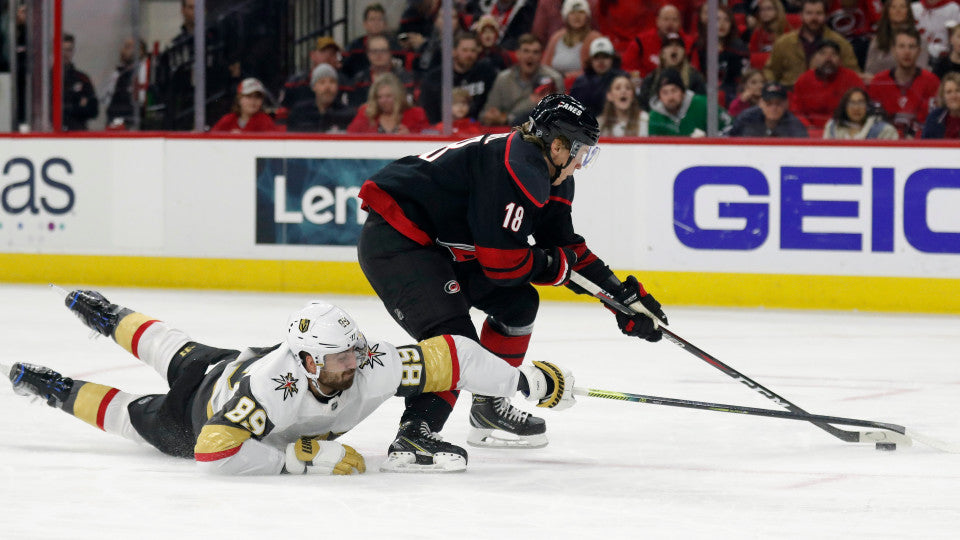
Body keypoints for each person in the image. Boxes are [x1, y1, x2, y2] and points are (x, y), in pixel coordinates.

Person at [357, 93, 667, 451]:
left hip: (444, 249)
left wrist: (621, 297)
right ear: (558, 145)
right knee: (456, 340)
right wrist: (552, 267)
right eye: (582, 151)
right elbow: (503, 264)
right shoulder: (515, 168)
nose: (582, 163)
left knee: (518, 304)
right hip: (398, 240)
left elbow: (565, 248)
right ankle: (415, 434)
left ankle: (489, 405)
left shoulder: (552, 175)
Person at [6, 290, 574, 474]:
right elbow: (213, 451)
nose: (355, 364)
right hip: (199, 417)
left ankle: (104, 318)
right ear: (305, 363)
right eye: (341, 358)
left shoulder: (366, 362)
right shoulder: (270, 392)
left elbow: (454, 356)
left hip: (227, 363)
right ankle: (58, 388)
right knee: (125, 413)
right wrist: (304, 458)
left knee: (168, 342)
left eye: (354, 352)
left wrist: (518, 381)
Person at [764, 0, 860, 87]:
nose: (814, 18)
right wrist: (774, 88)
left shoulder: (840, 42)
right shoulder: (784, 42)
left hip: (828, 94)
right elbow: (770, 71)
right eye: (809, 13)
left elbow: (853, 73)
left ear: (826, 15)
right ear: (801, 15)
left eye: (819, 13)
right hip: (791, 94)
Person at [867, 27, 941, 137]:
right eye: (901, 46)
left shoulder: (932, 81)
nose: (907, 52)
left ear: (919, 51)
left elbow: (934, 123)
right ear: (893, 50)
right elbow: (872, 122)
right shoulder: (878, 81)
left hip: (921, 146)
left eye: (911, 47)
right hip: (885, 144)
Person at [480, 33, 565, 126]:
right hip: (505, 134)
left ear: (541, 56)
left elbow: (556, 117)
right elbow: (486, 114)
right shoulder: (503, 78)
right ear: (518, 54)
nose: (530, 56)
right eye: (526, 51)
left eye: (535, 52)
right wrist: (490, 116)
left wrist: (507, 118)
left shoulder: (553, 79)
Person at [418, 31, 499, 124]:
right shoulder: (436, 78)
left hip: (477, 129)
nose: (469, 55)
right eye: (465, 50)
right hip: (443, 130)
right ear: (453, 51)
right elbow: (429, 110)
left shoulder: (486, 73)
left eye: (473, 51)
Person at [789, 39, 864, 127]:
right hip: (811, 131)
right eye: (822, 53)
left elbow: (862, 107)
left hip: (844, 130)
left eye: (833, 54)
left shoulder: (851, 78)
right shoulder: (804, 80)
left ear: (840, 60)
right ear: (814, 58)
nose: (828, 58)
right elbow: (796, 111)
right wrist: (807, 127)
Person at [691, 4, 751, 105]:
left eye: (726, 20)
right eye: (717, 19)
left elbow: (744, 79)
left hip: (733, 95)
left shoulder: (739, 49)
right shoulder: (699, 47)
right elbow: (694, 77)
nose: (722, 24)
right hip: (704, 94)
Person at [648, 68, 731, 136]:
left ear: (683, 93)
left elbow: (729, 127)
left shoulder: (703, 104)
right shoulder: (655, 116)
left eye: (674, 91)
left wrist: (708, 139)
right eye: (665, 93)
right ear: (659, 97)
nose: (670, 97)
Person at [637, 32, 707, 111]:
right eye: (669, 45)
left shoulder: (695, 77)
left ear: (684, 53)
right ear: (662, 53)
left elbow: (702, 105)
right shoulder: (652, 78)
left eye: (678, 45)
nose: (674, 48)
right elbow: (643, 105)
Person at [345, 34, 416, 108]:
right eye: (374, 51)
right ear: (368, 54)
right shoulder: (358, 81)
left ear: (390, 53)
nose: (378, 55)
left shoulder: (406, 78)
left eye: (383, 50)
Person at [347, 72, 429, 134]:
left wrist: (411, 137)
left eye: (388, 96)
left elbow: (428, 140)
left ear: (398, 96)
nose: (383, 100)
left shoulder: (417, 114)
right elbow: (350, 136)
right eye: (379, 97)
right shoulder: (366, 113)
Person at [864, 0, 929, 78]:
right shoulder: (877, 40)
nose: (898, 10)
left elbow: (921, 72)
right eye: (893, 7)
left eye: (902, 7)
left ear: (908, 11)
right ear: (887, 11)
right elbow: (869, 72)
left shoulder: (920, 41)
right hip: (881, 85)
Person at [279, 36, 345, 112]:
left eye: (333, 53)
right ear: (312, 55)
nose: (328, 56)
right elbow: (282, 113)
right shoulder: (295, 83)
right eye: (323, 51)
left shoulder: (345, 83)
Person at [622, 4, 688, 78]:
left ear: (680, 23)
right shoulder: (641, 42)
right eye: (666, 19)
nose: (670, 24)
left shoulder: (688, 43)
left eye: (674, 20)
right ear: (657, 21)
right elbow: (627, 68)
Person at [286, 64, 356, 133]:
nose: (327, 87)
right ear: (313, 87)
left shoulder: (348, 114)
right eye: (322, 82)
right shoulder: (299, 112)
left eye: (332, 82)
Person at [542, 0, 603, 78]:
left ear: (587, 16)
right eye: (572, 13)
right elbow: (545, 66)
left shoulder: (595, 39)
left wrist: (567, 77)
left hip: (581, 86)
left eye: (581, 12)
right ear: (566, 17)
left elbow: (597, 70)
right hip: (554, 85)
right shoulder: (556, 37)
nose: (577, 16)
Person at [341, 3, 403, 79]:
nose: (376, 23)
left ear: (385, 24)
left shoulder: (394, 46)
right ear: (365, 24)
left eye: (380, 19)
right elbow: (344, 72)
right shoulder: (354, 47)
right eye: (372, 19)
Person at [569, 36, 626, 117]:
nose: (601, 61)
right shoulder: (581, 82)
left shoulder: (622, 79)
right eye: (597, 57)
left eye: (605, 57)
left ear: (612, 59)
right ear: (591, 60)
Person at [726, 81, 810, 136]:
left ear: (786, 104)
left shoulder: (795, 127)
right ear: (761, 103)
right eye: (769, 103)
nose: (773, 108)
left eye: (778, 103)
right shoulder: (745, 119)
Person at [102, 37, 147, 130]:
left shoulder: (144, 71)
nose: (123, 50)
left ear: (141, 51)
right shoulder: (117, 73)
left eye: (128, 47)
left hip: (132, 123)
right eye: (124, 47)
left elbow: (142, 99)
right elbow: (106, 98)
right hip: (114, 121)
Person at [823, 86, 899, 138]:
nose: (856, 108)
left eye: (861, 103)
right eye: (851, 103)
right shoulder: (832, 127)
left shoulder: (884, 131)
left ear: (868, 106)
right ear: (844, 107)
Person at [210, 78, 280, 133]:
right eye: (249, 96)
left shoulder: (265, 121)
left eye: (258, 97)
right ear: (239, 99)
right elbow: (210, 143)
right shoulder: (228, 120)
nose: (253, 101)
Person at [61, 33, 99, 131]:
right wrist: (77, 105)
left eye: (69, 50)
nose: (65, 53)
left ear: (73, 51)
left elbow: (93, 110)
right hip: (52, 131)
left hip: (77, 131)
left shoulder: (82, 79)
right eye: (62, 49)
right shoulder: (47, 79)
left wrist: (68, 109)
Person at [921, 71, 960, 138]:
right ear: (943, 96)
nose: (953, 96)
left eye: (958, 90)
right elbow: (925, 146)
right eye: (949, 92)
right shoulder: (934, 118)